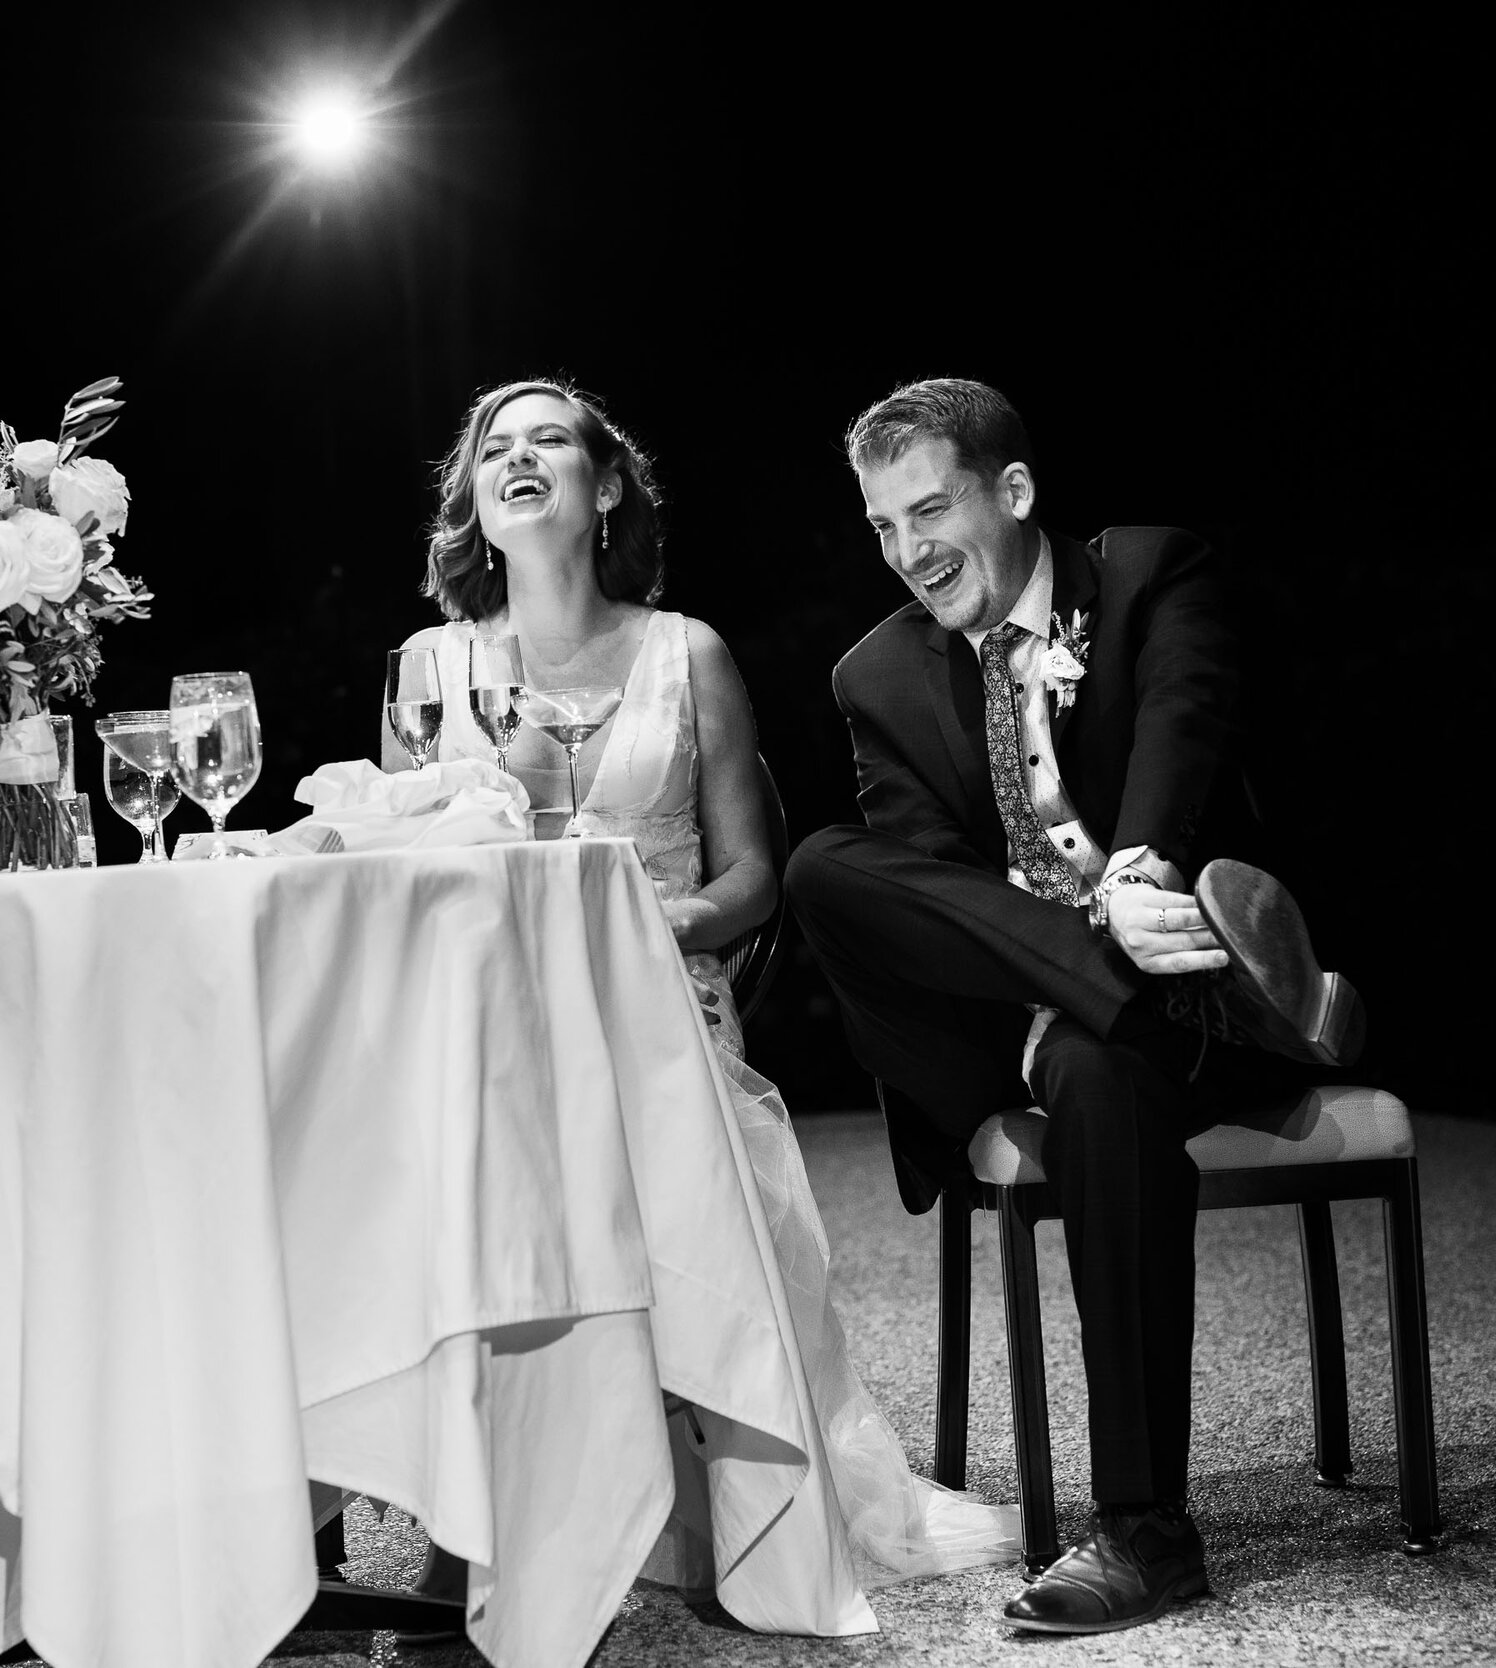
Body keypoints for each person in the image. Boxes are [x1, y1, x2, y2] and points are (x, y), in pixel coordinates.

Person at [384, 379, 1021, 1623]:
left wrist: (654, 925)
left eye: (548, 443)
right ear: (472, 497)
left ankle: (730, 1500)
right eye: (493, 451)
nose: (518, 461)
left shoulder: (688, 653)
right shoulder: (428, 668)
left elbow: (755, 874)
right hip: (486, 1020)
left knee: (633, 1130)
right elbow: (403, 860)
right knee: (448, 1146)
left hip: (661, 1008)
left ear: (605, 483)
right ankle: (471, 1519)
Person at [784, 378, 1364, 1636]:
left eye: (928, 508)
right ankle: (1168, 982)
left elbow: (1183, 722)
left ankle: (1145, 1534)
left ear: (1015, 493)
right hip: (1017, 1010)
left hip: (1173, 1009)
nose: (907, 550)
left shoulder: (1152, 575)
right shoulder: (876, 673)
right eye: (882, 526)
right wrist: (1091, 939)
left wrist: (1143, 866)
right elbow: (927, 891)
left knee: (1109, 1074)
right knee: (824, 868)